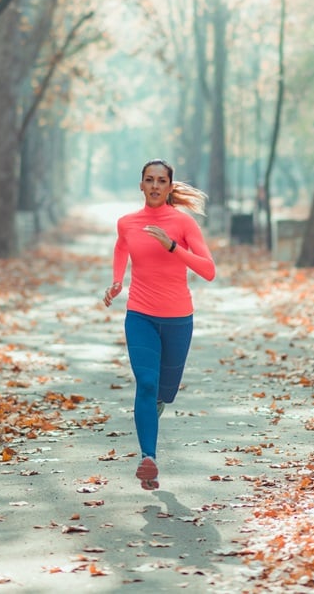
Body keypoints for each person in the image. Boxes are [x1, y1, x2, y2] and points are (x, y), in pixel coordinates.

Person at [102, 159, 216, 490]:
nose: (154, 186)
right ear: (141, 185)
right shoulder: (127, 222)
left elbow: (208, 270)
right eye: (149, 180)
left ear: (169, 186)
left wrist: (172, 246)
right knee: (147, 384)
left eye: (161, 180)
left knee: (165, 391)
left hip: (179, 319)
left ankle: (157, 407)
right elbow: (121, 247)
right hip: (140, 315)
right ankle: (147, 459)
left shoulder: (183, 224)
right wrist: (116, 281)